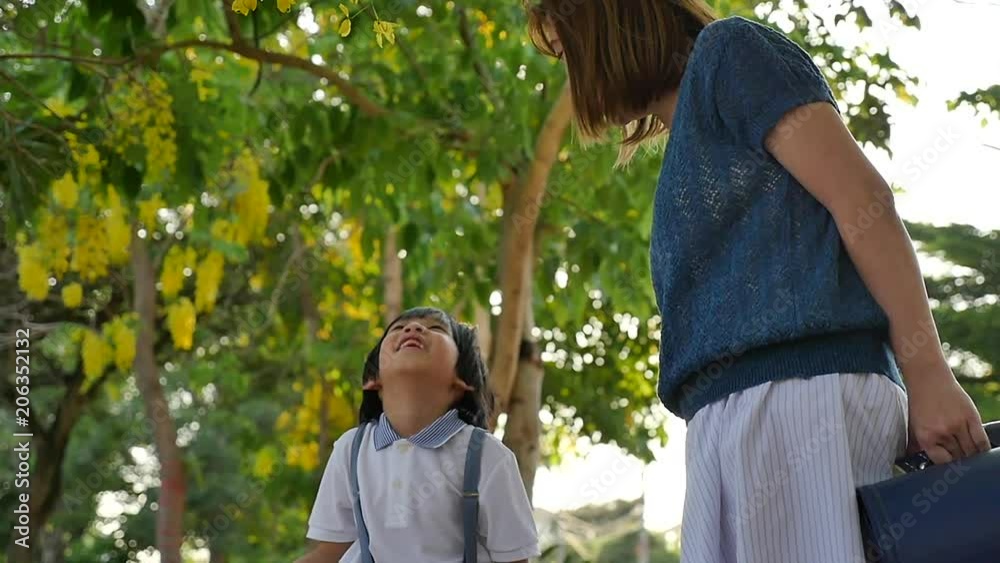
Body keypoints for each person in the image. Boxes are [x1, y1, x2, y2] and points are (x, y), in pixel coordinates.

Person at [525, 2, 990, 562]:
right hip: (739, 417)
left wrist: (929, 373)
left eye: (565, 50)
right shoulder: (694, 123)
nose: (571, 74)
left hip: (796, 399)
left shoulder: (730, 54)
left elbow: (862, 201)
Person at [296, 307, 540, 563]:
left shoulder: (487, 456)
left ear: (462, 380)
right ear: (373, 379)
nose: (413, 329)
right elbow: (328, 553)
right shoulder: (351, 449)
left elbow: (514, 560)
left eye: (436, 329)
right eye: (399, 329)